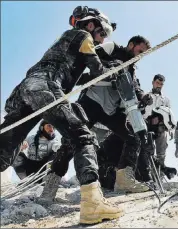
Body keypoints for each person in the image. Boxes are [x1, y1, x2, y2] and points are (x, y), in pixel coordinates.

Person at [0, 6, 125, 225]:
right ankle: (92, 203)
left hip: (26, 88)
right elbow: (97, 70)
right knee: (82, 136)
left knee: (4, 149)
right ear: (90, 25)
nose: (101, 39)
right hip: (47, 85)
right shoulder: (84, 36)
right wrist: (113, 69)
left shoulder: (64, 42)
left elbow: (80, 75)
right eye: (102, 33)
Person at [40, 31, 153, 197]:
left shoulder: (131, 70)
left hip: (111, 110)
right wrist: (110, 65)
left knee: (133, 137)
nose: (140, 56)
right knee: (73, 141)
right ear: (131, 45)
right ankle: (50, 186)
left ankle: (123, 180)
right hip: (91, 102)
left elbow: (134, 88)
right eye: (140, 51)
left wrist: (143, 96)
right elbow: (90, 58)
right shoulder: (112, 48)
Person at [143, 74, 172, 167]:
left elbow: (169, 116)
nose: (159, 85)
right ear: (153, 82)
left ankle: (160, 168)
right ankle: (146, 171)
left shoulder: (166, 100)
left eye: (161, 84)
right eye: (157, 83)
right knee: (147, 149)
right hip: (146, 124)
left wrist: (170, 129)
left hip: (160, 126)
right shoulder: (145, 96)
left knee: (162, 146)